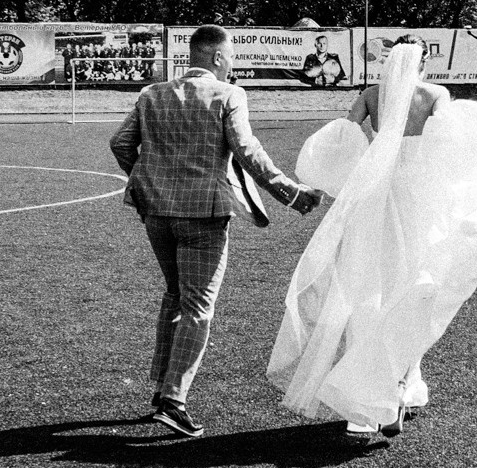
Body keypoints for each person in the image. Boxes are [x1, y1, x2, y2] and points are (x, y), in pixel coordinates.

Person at [266, 37, 477, 448]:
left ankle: (391, 389)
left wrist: (346, 169)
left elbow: (342, 135)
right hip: (420, 197)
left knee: (370, 284)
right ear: (425, 61)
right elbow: (453, 147)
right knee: (416, 288)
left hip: (379, 195)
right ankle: (398, 383)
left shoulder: (371, 95)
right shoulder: (435, 94)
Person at [109, 25, 325, 439]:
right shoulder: (229, 95)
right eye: (231, 58)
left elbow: (121, 144)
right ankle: (174, 399)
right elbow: (247, 151)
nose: (233, 65)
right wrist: (292, 194)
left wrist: (148, 178)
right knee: (197, 306)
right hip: (203, 213)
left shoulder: (151, 94)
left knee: (175, 295)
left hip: (156, 212)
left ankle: (161, 389)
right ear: (218, 58)